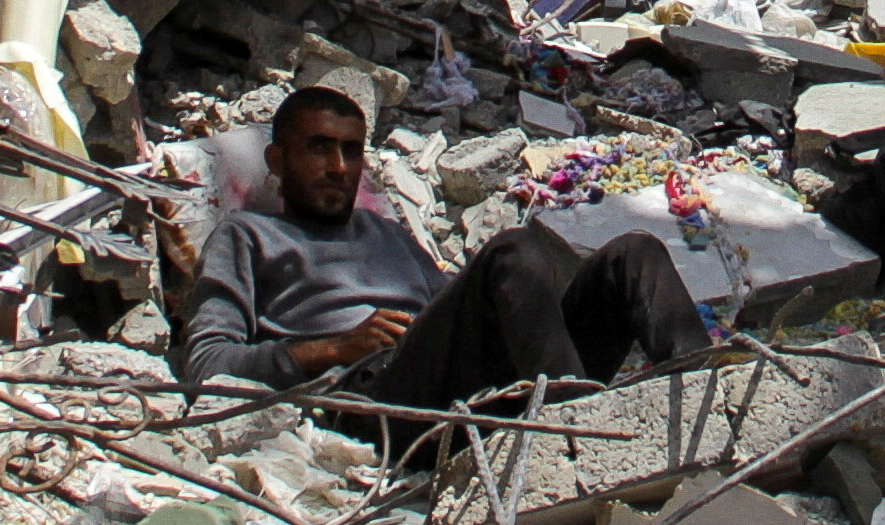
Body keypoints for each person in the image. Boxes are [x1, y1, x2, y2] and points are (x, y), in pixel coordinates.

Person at [178, 81, 705, 423]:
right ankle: (572, 432)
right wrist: (336, 348)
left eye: (351, 151)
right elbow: (206, 366)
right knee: (513, 252)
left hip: (459, 383)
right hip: (374, 398)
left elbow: (461, 312)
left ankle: (712, 396)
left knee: (634, 254)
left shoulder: (385, 233)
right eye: (320, 148)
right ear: (276, 160)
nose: (339, 168)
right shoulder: (247, 236)